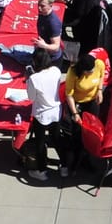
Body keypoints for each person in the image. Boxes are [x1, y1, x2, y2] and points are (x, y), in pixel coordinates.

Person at [23, 51, 68, 181]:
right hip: (55, 111)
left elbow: (31, 97)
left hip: (42, 114)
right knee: (56, 138)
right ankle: (64, 166)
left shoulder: (34, 79)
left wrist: (29, 80)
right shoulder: (56, 71)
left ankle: (41, 170)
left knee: (40, 142)